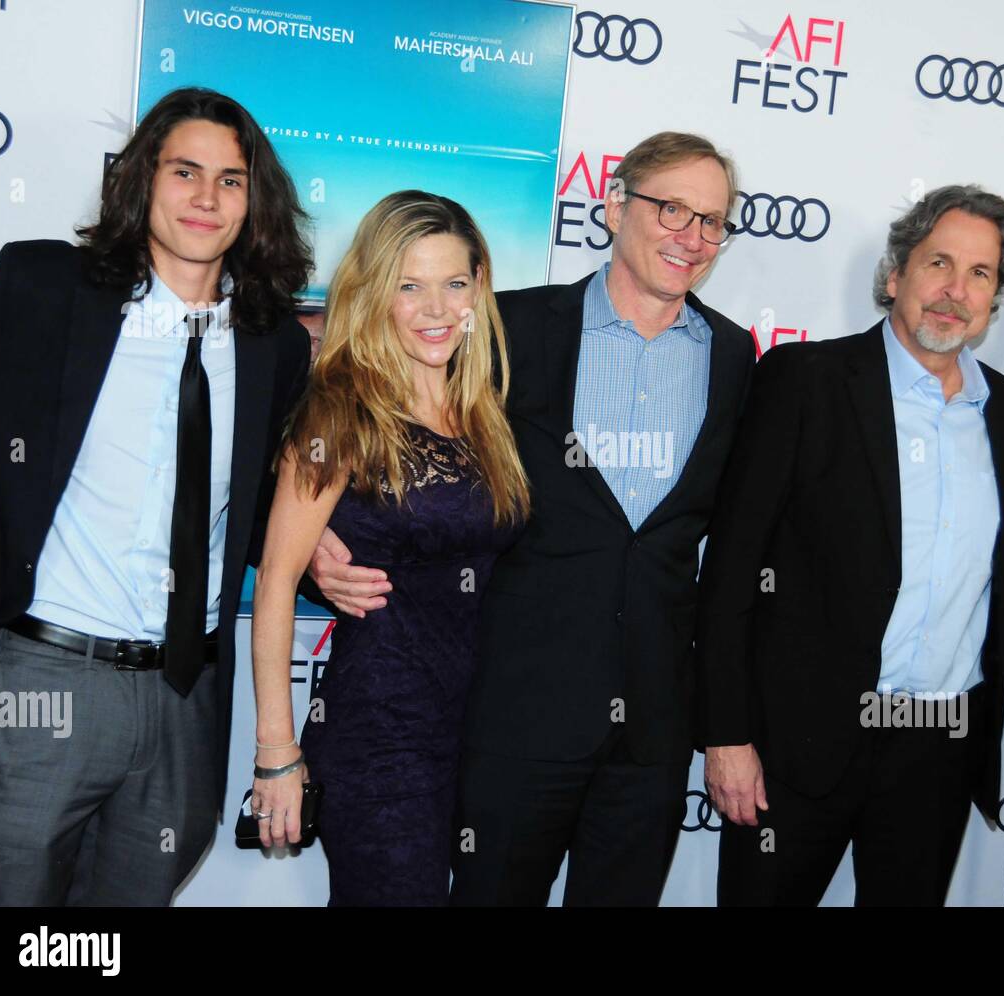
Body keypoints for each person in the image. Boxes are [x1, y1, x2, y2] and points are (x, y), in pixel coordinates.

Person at [311, 131, 755, 905]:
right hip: (513, 715)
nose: (692, 237)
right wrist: (309, 537)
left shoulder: (734, 353)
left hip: (651, 734)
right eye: (672, 209)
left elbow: (734, 545)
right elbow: (353, 388)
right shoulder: (505, 329)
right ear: (615, 206)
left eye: (712, 220)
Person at [0, 87, 313, 905]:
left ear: (254, 202)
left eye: (231, 180)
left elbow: (255, 501)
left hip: (183, 694)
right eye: (185, 170)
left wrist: (312, 547)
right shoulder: (44, 289)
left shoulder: (272, 347)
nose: (206, 197)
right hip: (44, 677)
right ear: (139, 180)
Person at [696, 185, 1004, 906]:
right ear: (895, 274)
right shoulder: (805, 381)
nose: (954, 291)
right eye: (939, 262)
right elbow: (730, 570)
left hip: (935, 747)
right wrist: (727, 736)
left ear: (995, 299)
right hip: (794, 748)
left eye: (980, 274)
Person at [250, 191, 529, 906]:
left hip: (480, 726)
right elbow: (279, 578)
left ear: (479, 289)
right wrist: (278, 754)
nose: (436, 308)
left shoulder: (484, 413)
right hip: (381, 730)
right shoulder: (340, 411)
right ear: (376, 293)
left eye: (454, 284)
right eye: (410, 286)